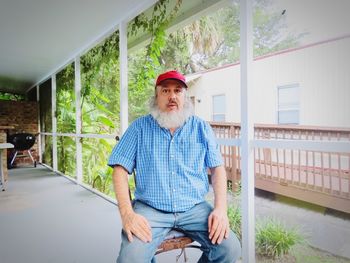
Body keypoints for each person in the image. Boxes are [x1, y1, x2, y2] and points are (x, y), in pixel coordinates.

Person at [108, 70, 241, 263]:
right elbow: (119, 170)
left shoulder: (201, 127)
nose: (172, 96)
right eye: (165, 91)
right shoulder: (138, 128)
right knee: (131, 259)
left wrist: (220, 209)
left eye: (178, 90)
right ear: (156, 96)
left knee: (230, 249)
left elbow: (217, 168)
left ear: (184, 96)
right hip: (150, 209)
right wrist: (127, 214)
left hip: (194, 208)